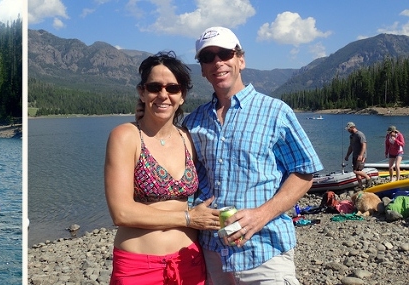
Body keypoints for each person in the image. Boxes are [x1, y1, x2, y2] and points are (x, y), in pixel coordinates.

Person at [182, 26, 323, 284]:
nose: (217, 62)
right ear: (202, 69)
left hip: (265, 252)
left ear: (240, 60)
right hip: (212, 256)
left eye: (224, 53)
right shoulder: (194, 122)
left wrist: (261, 214)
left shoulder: (275, 111)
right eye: (207, 57)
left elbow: (304, 171)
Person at [105, 51, 221, 284]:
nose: (163, 95)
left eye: (172, 88)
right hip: (138, 267)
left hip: (188, 262)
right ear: (142, 92)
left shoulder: (189, 139)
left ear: (183, 95)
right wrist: (188, 218)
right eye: (155, 87)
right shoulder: (126, 136)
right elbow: (121, 212)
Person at [345, 122, 372, 188]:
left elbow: (364, 145)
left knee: (356, 171)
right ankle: (361, 186)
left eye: (349, 129)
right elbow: (351, 146)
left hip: (361, 156)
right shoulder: (351, 136)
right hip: (355, 155)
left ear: (352, 127)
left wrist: (361, 155)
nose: (348, 131)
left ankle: (368, 178)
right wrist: (347, 155)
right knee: (357, 172)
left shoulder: (360, 134)